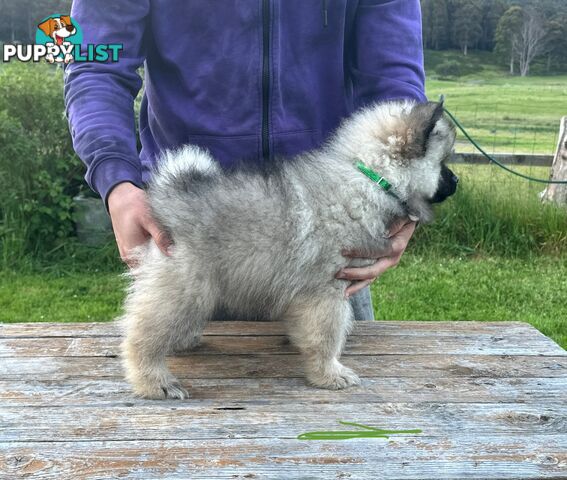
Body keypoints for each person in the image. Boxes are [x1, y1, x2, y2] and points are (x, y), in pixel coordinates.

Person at [64, 0, 425, 321]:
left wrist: (403, 194)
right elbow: (95, 63)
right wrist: (117, 181)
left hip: (328, 245)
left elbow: (393, 77)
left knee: (335, 387)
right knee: (177, 388)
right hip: (193, 235)